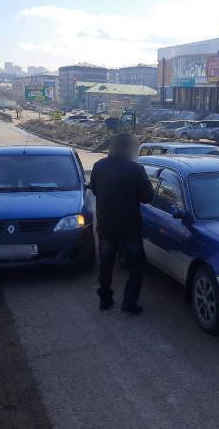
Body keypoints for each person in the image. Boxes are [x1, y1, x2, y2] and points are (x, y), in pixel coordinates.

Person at [90, 133, 154, 314]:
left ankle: (105, 299)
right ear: (129, 148)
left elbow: (94, 190)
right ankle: (129, 303)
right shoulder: (135, 169)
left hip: (106, 225)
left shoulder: (98, 166)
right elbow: (148, 197)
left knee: (106, 264)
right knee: (136, 266)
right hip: (130, 227)